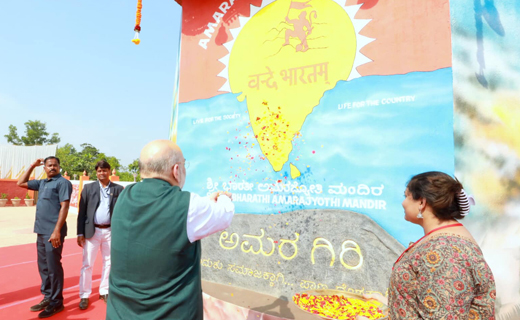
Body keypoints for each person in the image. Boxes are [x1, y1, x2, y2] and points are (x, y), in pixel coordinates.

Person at [106, 140, 235, 320]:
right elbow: (224, 215)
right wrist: (223, 197)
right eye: (184, 165)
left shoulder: (124, 196)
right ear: (176, 170)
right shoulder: (187, 205)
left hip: (121, 313)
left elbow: (178, 211)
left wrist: (206, 201)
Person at [357, 171, 495, 319]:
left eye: (406, 196)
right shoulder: (445, 240)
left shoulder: (444, 250)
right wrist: (392, 305)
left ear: (422, 202)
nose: (403, 203)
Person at [17, 157, 72, 318]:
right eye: (49, 165)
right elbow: (20, 183)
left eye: (55, 165)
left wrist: (57, 231)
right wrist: (32, 165)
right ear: (45, 168)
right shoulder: (41, 183)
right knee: (44, 267)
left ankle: (57, 302)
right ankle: (48, 297)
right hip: (41, 231)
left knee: (54, 268)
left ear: (59, 167)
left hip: (53, 233)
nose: (52, 167)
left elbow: (65, 206)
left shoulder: (62, 183)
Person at [77, 160, 124, 310]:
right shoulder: (88, 188)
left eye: (105, 170)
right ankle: (84, 295)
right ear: (96, 173)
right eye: (99, 171)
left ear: (110, 171)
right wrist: (80, 232)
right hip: (92, 231)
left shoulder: (118, 189)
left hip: (110, 231)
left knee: (109, 263)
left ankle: (104, 291)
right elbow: (82, 212)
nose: (102, 173)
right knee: (87, 264)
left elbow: (122, 212)